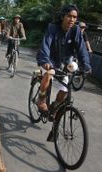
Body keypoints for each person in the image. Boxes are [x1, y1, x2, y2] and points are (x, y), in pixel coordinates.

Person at [36, 4, 91, 140]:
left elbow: (82, 49)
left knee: (66, 89)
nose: (72, 19)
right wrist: (45, 61)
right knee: (48, 74)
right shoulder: (52, 28)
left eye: (74, 17)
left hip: (65, 63)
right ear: (63, 17)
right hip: (50, 60)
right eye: (69, 16)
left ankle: (55, 106)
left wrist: (86, 66)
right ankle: (41, 99)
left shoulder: (76, 31)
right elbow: (45, 45)